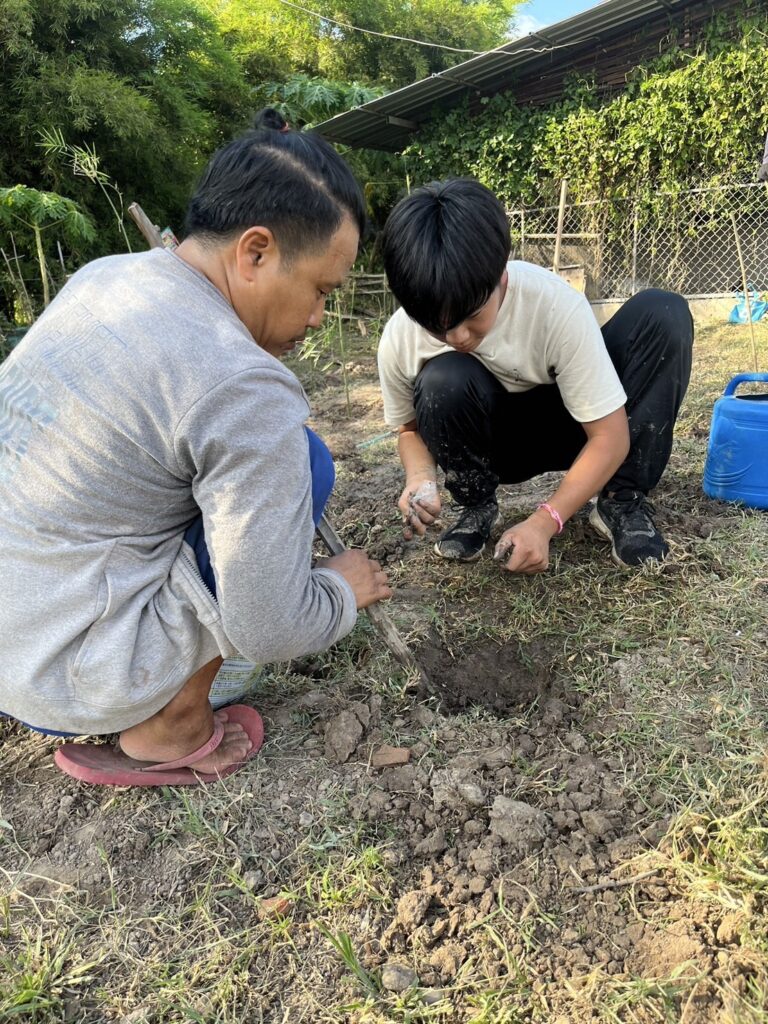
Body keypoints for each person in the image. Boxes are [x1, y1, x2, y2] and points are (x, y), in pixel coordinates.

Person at [0, 113, 391, 784]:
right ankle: (168, 725)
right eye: (321, 290)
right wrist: (340, 592)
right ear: (256, 251)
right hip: (67, 680)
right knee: (306, 461)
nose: (322, 316)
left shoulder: (106, 278)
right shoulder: (242, 383)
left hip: (20, 633)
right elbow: (269, 626)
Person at [377, 178, 694, 572]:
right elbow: (408, 431)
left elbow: (609, 437)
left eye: (472, 316)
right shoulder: (399, 336)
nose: (456, 336)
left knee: (663, 313)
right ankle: (476, 506)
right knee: (443, 377)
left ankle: (620, 500)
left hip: (577, 430)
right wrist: (420, 477)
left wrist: (547, 520)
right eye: (435, 326)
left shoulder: (554, 305)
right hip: (498, 444)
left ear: (502, 278)